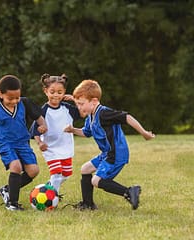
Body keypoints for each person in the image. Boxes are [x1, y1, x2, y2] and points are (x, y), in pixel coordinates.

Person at [64, 79, 155, 210]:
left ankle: (130, 191)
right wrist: (73, 130)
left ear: (94, 101)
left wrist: (144, 132)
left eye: (81, 104)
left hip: (116, 153)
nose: (79, 107)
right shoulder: (91, 116)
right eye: (77, 103)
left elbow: (127, 117)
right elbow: (86, 133)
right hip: (107, 153)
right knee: (85, 169)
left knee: (96, 181)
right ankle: (88, 204)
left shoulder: (104, 113)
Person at [0, 74, 47, 211]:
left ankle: (7, 190)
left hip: (22, 143)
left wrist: (43, 126)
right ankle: (12, 203)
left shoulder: (24, 103)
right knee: (16, 167)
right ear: (1, 94)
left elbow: (39, 117)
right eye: (10, 98)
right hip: (5, 143)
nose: (14, 101)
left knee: (33, 171)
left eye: (17, 97)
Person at [31, 73, 81, 195]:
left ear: (64, 92)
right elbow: (34, 130)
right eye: (52, 92)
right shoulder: (43, 111)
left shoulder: (67, 108)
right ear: (46, 91)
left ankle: (49, 187)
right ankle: (53, 197)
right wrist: (40, 143)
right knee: (57, 173)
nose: (56, 95)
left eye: (59, 92)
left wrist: (75, 99)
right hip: (50, 148)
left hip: (66, 147)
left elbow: (83, 112)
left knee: (66, 174)